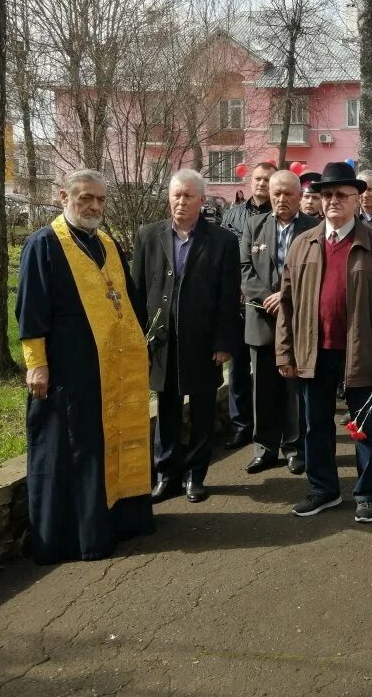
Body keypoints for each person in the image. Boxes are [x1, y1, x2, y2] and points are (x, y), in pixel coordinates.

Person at [17, 169, 153, 564]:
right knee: (72, 449)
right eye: (85, 198)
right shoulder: (44, 244)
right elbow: (31, 310)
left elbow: (128, 300)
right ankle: (74, 538)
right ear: (64, 197)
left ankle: (116, 523)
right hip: (66, 367)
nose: (94, 206)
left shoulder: (106, 243)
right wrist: (36, 364)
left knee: (102, 443)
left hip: (109, 368)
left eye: (100, 200)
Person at [275, 162, 372, 523]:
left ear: (356, 200)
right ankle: (323, 490)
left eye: (341, 195)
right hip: (312, 351)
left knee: (366, 428)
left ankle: (366, 493)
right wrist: (285, 351)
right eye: (326, 194)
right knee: (316, 425)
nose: (333, 201)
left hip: (361, 352)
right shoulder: (303, 244)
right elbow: (286, 304)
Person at [132, 169, 241, 504]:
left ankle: (196, 475)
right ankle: (167, 475)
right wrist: (139, 340)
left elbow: (228, 295)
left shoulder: (222, 241)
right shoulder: (148, 236)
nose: (181, 202)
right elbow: (137, 291)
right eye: (176, 195)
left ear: (201, 201)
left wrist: (224, 342)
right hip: (162, 342)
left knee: (203, 410)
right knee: (165, 409)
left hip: (204, 341)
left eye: (188, 196)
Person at [241, 170, 319, 476]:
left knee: (294, 390)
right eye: (276, 193)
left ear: (300, 196)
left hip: (298, 321)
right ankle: (265, 448)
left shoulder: (314, 227)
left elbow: (317, 275)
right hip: (262, 319)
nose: (281, 199)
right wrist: (268, 298)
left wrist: (285, 298)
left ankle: (294, 448)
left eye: (288, 193)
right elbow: (245, 269)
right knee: (262, 389)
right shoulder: (254, 225)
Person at [220, 162, 277, 451]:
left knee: (267, 372)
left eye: (267, 179)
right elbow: (224, 256)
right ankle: (241, 425)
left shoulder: (277, 215)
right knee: (238, 368)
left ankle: (269, 428)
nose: (261, 184)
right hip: (236, 304)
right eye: (258, 178)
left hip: (267, 306)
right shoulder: (232, 215)